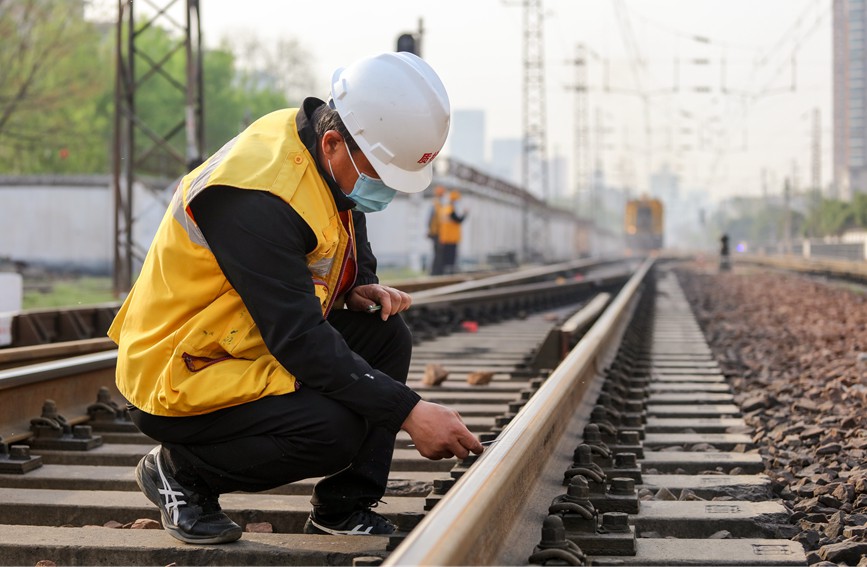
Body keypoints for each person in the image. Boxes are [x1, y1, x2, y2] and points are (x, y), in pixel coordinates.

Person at [107, 52, 484, 545]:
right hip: (183, 367)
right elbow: (301, 340)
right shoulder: (257, 198)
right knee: (331, 432)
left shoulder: (320, 151)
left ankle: (342, 508)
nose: (382, 192)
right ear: (333, 144)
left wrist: (356, 284)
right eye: (380, 175)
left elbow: (345, 216)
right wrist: (409, 411)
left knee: (386, 336)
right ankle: (181, 473)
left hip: (242, 341)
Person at [436, 190, 467, 274]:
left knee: (445, 258)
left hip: (446, 237)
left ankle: (444, 272)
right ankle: (448, 273)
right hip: (450, 238)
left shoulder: (445, 208)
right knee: (450, 258)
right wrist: (465, 214)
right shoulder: (450, 210)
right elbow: (458, 220)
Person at [427, 186, 445, 275]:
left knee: (439, 253)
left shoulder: (439, 204)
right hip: (437, 233)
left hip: (439, 232)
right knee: (438, 253)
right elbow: (431, 219)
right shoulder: (436, 204)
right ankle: (435, 272)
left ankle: (437, 271)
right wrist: (430, 231)